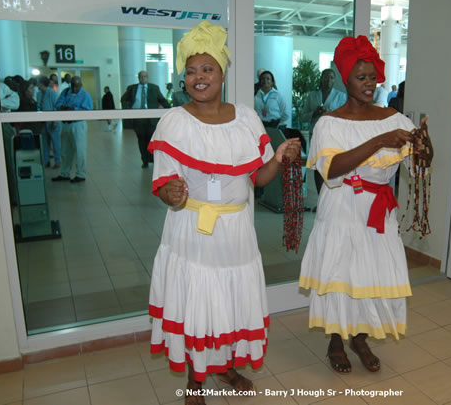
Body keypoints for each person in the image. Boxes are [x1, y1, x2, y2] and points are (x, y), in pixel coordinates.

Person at [147, 21, 300, 405]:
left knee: (229, 301)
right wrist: (173, 193)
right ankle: (195, 382)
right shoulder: (174, 123)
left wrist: (279, 159)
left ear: (222, 72)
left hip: (236, 231)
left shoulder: (246, 117)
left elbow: (258, 177)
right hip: (193, 230)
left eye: (208, 68)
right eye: (191, 71)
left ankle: (224, 365)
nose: (200, 77)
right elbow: (164, 186)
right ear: (183, 78)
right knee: (198, 300)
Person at [299, 35, 433, 374]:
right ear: (346, 79)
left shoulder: (394, 118)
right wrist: (379, 141)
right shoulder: (329, 123)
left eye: (373, 76)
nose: (370, 83)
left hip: (378, 212)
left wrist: (424, 147)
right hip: (342, 208)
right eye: (361, 77)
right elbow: (332, 169)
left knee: (368, 274)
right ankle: (334, 342)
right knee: (339, 273)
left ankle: (359, 337)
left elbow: (421, 165)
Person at [300, 68, 347, 193]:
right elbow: (303, 117)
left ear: (335, 80)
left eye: (331, 77)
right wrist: (314, 112)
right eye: (326, 77)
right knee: (318, 167)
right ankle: (320, 196)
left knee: (331, 166)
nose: (328, 80)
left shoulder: (341, 96)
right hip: (317, 135)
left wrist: (330, 113)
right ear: (321, 79)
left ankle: (331, 196)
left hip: (333, 136)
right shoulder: (313, 96)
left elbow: (345, 118)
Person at [121, 70, 170, 168]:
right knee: (141, 139)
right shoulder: (132, 88)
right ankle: (145, 159)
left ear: (148, 77)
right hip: (138, 118)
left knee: (151, 138)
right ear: (138, 78)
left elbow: (162, 100)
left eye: (145, 76)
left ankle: (152, 158)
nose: (143, 78)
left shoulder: (154, 88)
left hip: (151, 119)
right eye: (141, 76)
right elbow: (123, 99)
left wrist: (170, 111)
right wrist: (129, 110)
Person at [52, 76, 93, 183]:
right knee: (65, 150)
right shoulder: (66, 92)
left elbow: (88, 110)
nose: (75, 89)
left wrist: (73, 109)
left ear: (81, 85)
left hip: (78, 124)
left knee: (80, 151)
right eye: (73, 86)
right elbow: (58, 104)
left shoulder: (85, 95)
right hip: (66, 124)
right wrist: (65, 107)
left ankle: (80, 174)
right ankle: (64, 173)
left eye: (77, 86)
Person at [37, 75, 61, 168]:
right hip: (43, 122)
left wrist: (55, 120)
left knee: (55, 143)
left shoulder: (52, 93)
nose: (37, 84)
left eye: (38, 82)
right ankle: (46, 161)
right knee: (45, 143)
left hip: (52, 122)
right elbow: (38, 106)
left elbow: (57, 107)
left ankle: (57, 161)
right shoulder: (39, 94)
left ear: (42, 83)